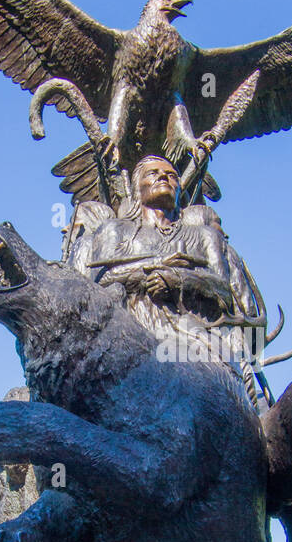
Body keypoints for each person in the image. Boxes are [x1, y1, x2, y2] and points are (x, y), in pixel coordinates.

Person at [69, 156, 265, 402]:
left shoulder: (203, 236)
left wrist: (179, 279)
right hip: (130, 326)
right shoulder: (115, 230)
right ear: (136, 188)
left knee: (222, 376)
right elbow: (100, 283)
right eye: (153, 173)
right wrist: (151, 269)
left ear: (180, 188)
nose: (164, 176)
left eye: (171, 175)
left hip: (191, 331)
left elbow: (224, 290)